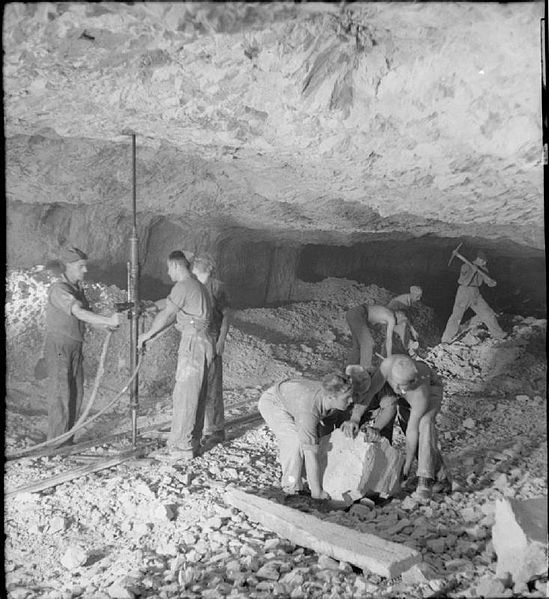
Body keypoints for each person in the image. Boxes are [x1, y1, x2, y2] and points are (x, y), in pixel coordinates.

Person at [341, 354, 451, 501]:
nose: (398, 388)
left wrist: (407, 464)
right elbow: (371, 392)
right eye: (396, 384)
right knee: (406, 424)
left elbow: (413, 431)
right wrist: (355, 418)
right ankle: (442, 478)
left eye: (402, 386)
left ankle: (424, 480)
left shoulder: (421, 394)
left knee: (424, 425)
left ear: (413, 381)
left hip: (431, 392)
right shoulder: (387, 365)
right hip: (407, 395)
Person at [138, 250, 214, 461]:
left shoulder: (183, 285)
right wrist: (150, 307)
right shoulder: (196, 286)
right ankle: (191, 442)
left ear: (175, 266)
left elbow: (168, 314)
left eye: (168, 267)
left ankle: (181, 448)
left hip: (192, 343)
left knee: (185, 395)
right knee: (194, 395)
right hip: (202, 342)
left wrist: (146, 334)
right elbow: (170, 304)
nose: (166, 271)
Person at [44, 246, 121, 443]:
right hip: (59, 348)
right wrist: (108, 320)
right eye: (81, 266)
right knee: (61, 393)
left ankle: (67, 438)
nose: (85, 270)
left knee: (76, 392)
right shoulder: (60, 290)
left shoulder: (78, 290)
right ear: (68, 267)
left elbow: (86, 318)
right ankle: (56, 443)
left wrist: (104, 327)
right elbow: (78, 312)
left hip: (75, 348)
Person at [258, 373, 354, 499]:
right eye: (346, 398)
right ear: (331, 397)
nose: (351, 400)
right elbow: (310, 454)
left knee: (313, 439)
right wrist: (317, 492)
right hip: (273, 402)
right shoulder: (309, 412)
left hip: (295, 395)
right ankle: (291, 488)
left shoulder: (331, 400)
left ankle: (306, 475)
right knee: (294, 442)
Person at [191, 255, 232, 446]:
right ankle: (197, 427)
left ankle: (216, 430)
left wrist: (221, 340)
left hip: (213, 338)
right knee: (196, 385)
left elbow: (226, 314)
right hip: (195, 339)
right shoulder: (192, 286)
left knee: (212, 385)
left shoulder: (216, 287)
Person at [441, 250, 505, 343]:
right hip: (464, 292)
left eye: (485, 261)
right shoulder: (466, 266)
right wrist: (473, 272)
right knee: (456, 316)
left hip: (476, 292)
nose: (485, 263)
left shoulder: (484, 269)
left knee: (488, 313)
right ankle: (446, 339)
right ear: (478, 259)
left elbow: (489, 283)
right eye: (483, 261)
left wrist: (492, 282)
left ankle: (499, 334)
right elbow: (464, 282)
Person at [345, 303, 396, 371]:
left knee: (358, 346)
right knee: (368, 343)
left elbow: (369, 323)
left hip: (352, 313)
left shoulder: (383, 311)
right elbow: (389, 340)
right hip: (360, 313)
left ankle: (347, 370)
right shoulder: (391, 317)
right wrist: (389, 358)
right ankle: (364, 372)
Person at [387, 286, 422, 355]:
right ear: (413, 295)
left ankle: (408, 346)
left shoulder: (408, 300)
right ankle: (409, 345)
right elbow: (404, 317)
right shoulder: (403, 301)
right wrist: (412, 330)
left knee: (407, 326)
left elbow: (407, 315)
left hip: (397, 317)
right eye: (417, 296)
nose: (419, 299)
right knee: (404, 326)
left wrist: (413, 329)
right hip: (390, 318)